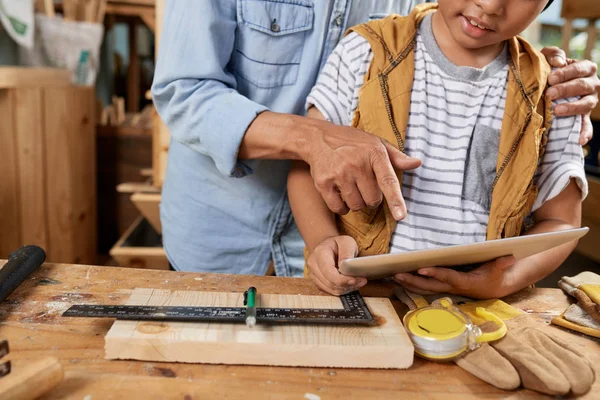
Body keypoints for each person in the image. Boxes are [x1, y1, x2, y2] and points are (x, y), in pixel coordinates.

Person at [152, 0, 599, 277]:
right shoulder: (363, 50)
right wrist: (313, 142)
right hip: (224, 235)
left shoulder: (533, 82)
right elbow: (184, 91)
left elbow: (461, 36)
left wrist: (542, 83)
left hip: (361, 274)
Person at [288, 0, 592, 299]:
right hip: (358, 295)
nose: (490, 5)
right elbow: (306, 167)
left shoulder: (556, 93)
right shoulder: (364, 52)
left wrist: (502, 280)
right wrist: (322, 241)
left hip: (477, 311)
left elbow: (561, 222)